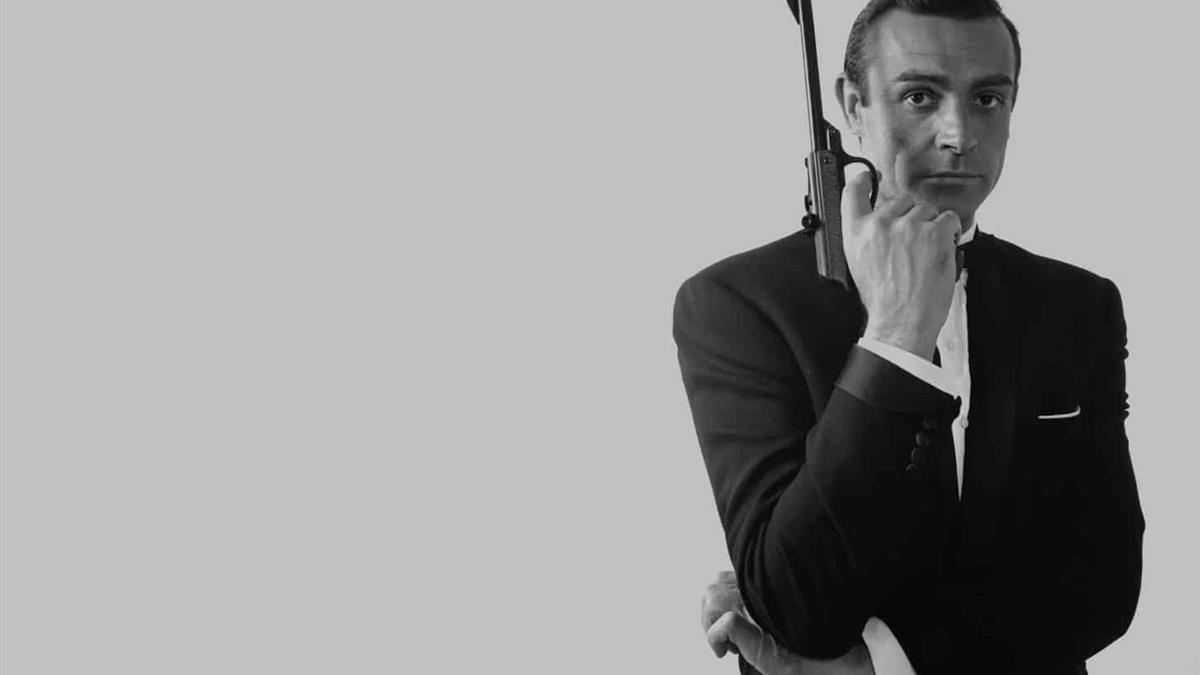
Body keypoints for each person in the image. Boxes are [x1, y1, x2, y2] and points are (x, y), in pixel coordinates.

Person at [672, 1, 1145, 673]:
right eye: (920, 96)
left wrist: (886, 662)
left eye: (987, 98)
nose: (959, 134)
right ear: (853, 105)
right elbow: (797, 603)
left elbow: (1104, 582)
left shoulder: (1079, 305)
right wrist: (895, 337)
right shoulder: (733, 305)